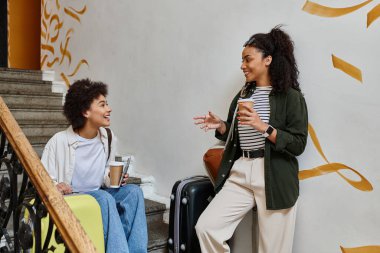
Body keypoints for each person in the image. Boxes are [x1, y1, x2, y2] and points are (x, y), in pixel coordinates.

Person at [193, 25, 308, 253]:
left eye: (248, 59)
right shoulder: (244, 94)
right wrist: (222, 126)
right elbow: (237, 135)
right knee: (207, 227)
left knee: (272, 250)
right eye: (242, 60)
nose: (242, 65)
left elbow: (298, 144)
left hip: (274, 174)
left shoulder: (291, 97)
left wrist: (263, 127)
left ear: (267, 60)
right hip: (241, 170)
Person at [41, 79, 148, 253]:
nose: (109, 109)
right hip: (75, 197)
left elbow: (105, 173)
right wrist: (57, 185)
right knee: (103, 198)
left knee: (134, 192)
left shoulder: (108, 136)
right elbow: (43, 180)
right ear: (85, 111)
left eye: (107, 104)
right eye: (102, 105)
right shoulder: (59, 141)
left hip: (99, 192)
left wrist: (114, 179)